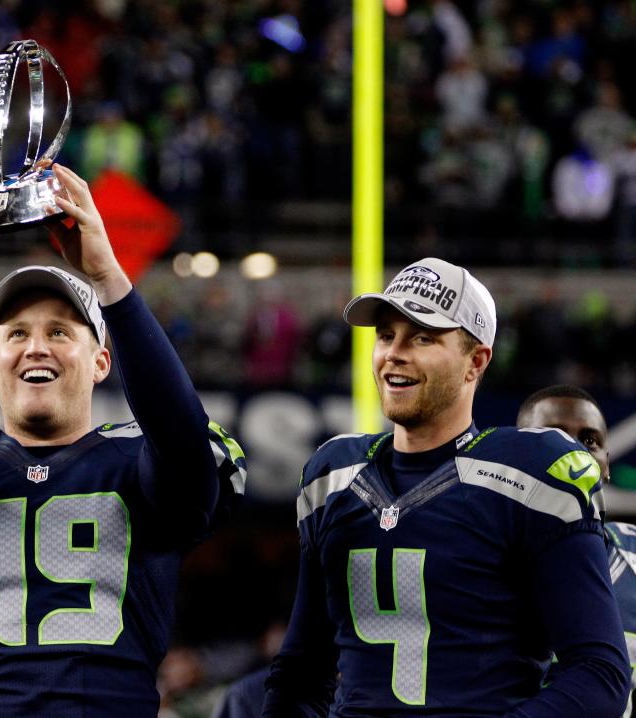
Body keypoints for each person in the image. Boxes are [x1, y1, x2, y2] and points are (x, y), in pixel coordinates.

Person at [0, 165, 246, 716]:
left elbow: (180, 437)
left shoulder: (135, 458)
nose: (36, 347)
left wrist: (109, 276)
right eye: (16, 334)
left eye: (59, 332)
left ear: (104, 361)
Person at [262, 258, 629, 717]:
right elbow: (301, 672)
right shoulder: (333, 476)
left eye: (422, 337)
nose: (394, 352)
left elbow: (600, 673)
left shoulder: (531, 475)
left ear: (475, 361)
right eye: (385, 335)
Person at [516, 385, 636, 716]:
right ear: (511, 456)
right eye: (551, 436)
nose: (574, 456)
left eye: (589, 442)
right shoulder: (477, 559)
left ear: (607, 465)